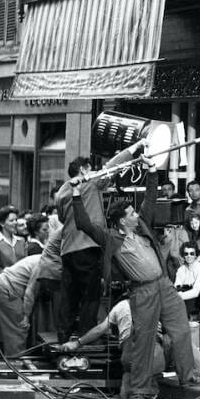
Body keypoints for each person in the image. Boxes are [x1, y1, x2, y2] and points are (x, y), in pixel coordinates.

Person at [72, 152, 200, 399]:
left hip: (164, 286)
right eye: (131, 213)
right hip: (142, 292)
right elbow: (83, 224)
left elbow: (150, 200)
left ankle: (187, 375)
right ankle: (139, 390)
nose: (136, 215)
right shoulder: (111, 237)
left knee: (181, 329)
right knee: (143, 341)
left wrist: (153, 171)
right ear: (122, 220)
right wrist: (77, 193)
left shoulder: (142, 226)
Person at [55, 141, 144, 343]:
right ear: (83, 170)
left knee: (69, 295)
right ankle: (85, 338)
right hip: (88, 245)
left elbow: (62, 218)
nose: (93, 170)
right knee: (90, 295)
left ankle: (63, 337)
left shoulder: (61, 191)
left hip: (68, 248)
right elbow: (112, 166)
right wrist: (135, 147)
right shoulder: (90, 181)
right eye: (89, 167)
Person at [58, 298, 168, 399]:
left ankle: (134, 398)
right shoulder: (157, 302)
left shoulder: (122, 305)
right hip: (156, 358)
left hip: (132, 357)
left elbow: (100, 329)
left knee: (130, 379)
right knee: (148, 383)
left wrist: (77, 343)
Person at [0, 254, 42, 356]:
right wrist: (26, 316)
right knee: (20, 326)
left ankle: (13, 361)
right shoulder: (42, 264)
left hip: (4, 287)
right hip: (6, 289)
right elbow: (30, 292)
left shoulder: (41, 259)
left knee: (14, 330)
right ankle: (15, 365)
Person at [0, 205, 27, 282]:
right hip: (3, 285)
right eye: (11, 220)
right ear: (2, 223)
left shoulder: (21, 241)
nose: (15, 223)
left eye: (16, 220)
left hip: (22, 284)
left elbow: (26, 265)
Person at [174, 242, 200, 317]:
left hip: (198, 299)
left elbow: (196, 292)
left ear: (196, 255)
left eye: (192, 253)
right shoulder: (181, 269)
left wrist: (178, 297)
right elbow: (177, 286)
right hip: (183, 297)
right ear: (183, 255)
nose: (189, 256)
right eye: (186, 254)